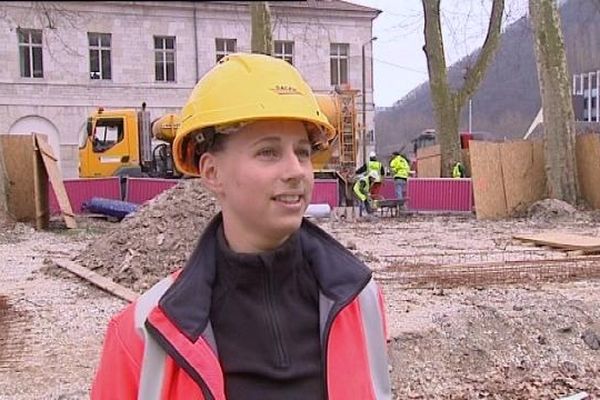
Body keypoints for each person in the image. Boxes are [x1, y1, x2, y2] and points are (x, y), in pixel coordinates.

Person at [91, 53, 391, 400]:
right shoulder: (144, 334)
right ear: (211, 173)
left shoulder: (360, 300)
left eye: (303, 152)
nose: (296, 170)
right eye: (268, 152)